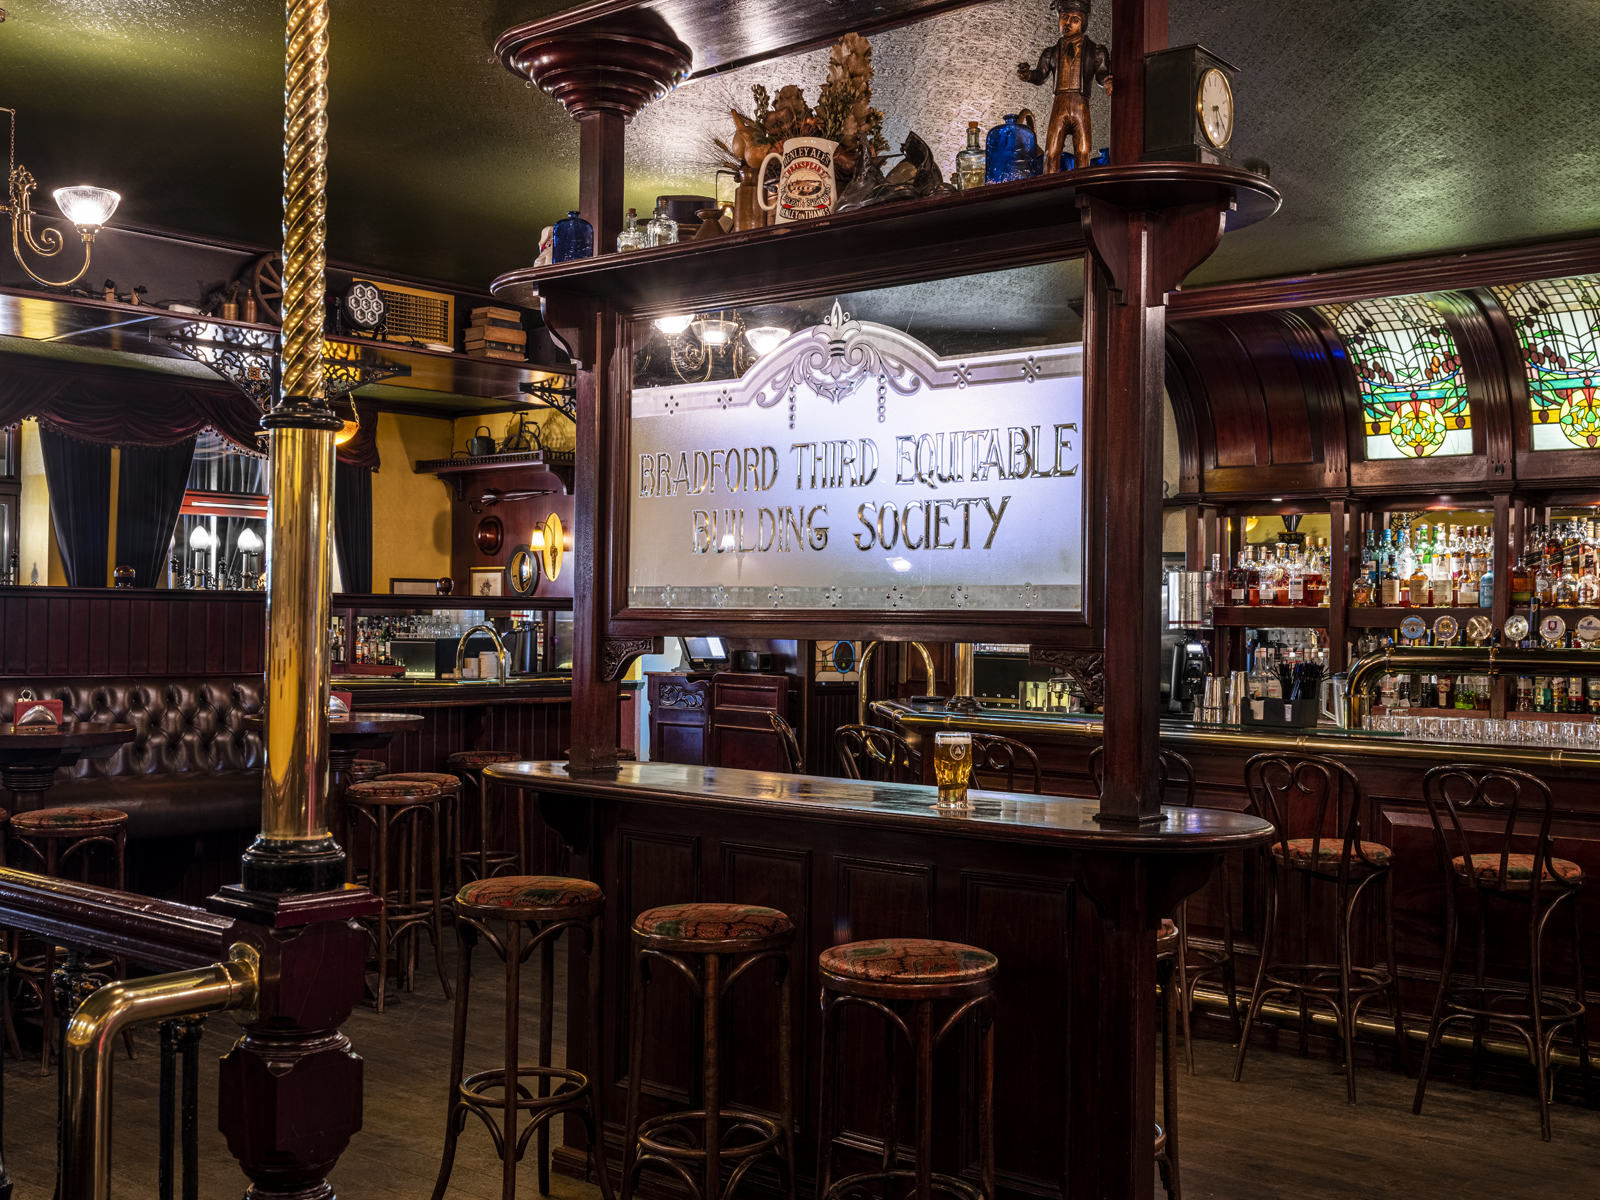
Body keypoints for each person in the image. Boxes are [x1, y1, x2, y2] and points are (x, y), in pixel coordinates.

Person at [1016, 0, 1113, 174]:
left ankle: (1082, 186)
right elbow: (1041, 75)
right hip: (1059, 104)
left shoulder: (1096, 51)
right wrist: (1028, 75)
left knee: (1083, 152)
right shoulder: (1051, 52)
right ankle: (1049, 187)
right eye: (1064, 17)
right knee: (1051, 153)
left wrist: (1106, 80)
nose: (1067, 23)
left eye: (1075, 19)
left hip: (1080, 105)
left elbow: (1102, 72)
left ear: (1083, 22)